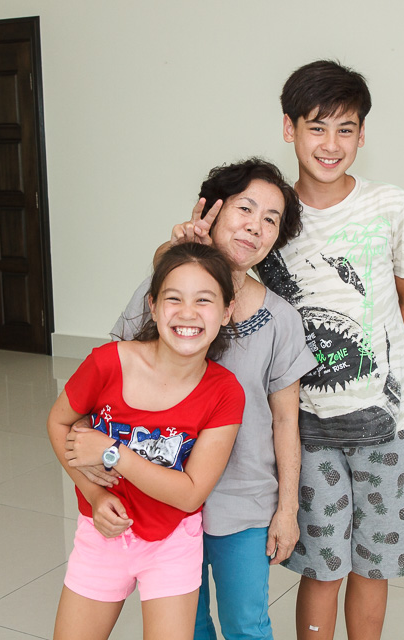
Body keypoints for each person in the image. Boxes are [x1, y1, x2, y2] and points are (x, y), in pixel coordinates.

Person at [105, 158, 316, 640]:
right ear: (212, 212)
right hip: (166, 499)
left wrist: (286, 510)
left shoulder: (281, 320)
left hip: (244, 505)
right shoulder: (162, 294)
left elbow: (286, 422)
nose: (256, 227)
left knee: (247, 626)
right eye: (245, 208)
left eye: (271, 219)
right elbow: (117, 373)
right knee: (188, 626)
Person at [254, 60, 404, 640]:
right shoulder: (274, 216)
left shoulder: (390, 204)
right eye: (317, 127)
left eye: (345, 129)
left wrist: (374, 364)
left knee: (375, 562)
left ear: (362, 134)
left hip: (386, 421)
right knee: (322, 564)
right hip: (305, 426)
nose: (331, 144)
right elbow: (220, 272)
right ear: (289, 128)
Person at [47, 243, 246, 640]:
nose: (187, 313)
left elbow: (190, 494)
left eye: (203, 300)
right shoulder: (107, 363)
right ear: (153, 307)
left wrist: (113, 453)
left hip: (172, 541)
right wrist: (95, 495)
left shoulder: (225, 392)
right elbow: (58, 421)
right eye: (174, 299)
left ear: (226, 312)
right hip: (102, 531)